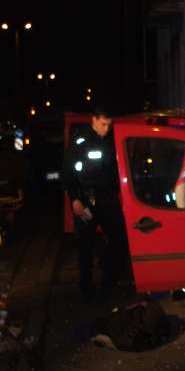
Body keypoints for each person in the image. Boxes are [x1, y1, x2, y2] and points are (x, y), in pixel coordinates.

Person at [62, 112, 128, 301]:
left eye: (109, 124)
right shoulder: (80, 141)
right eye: (103, 124)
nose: (106, 129)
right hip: (86, 202)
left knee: (118, 240)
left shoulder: (112, 139)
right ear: (94, 120)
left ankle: (109, 282)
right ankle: (86, 289)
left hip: (108, 200)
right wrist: (74, 199)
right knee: (85, 246)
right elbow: (67, 174)